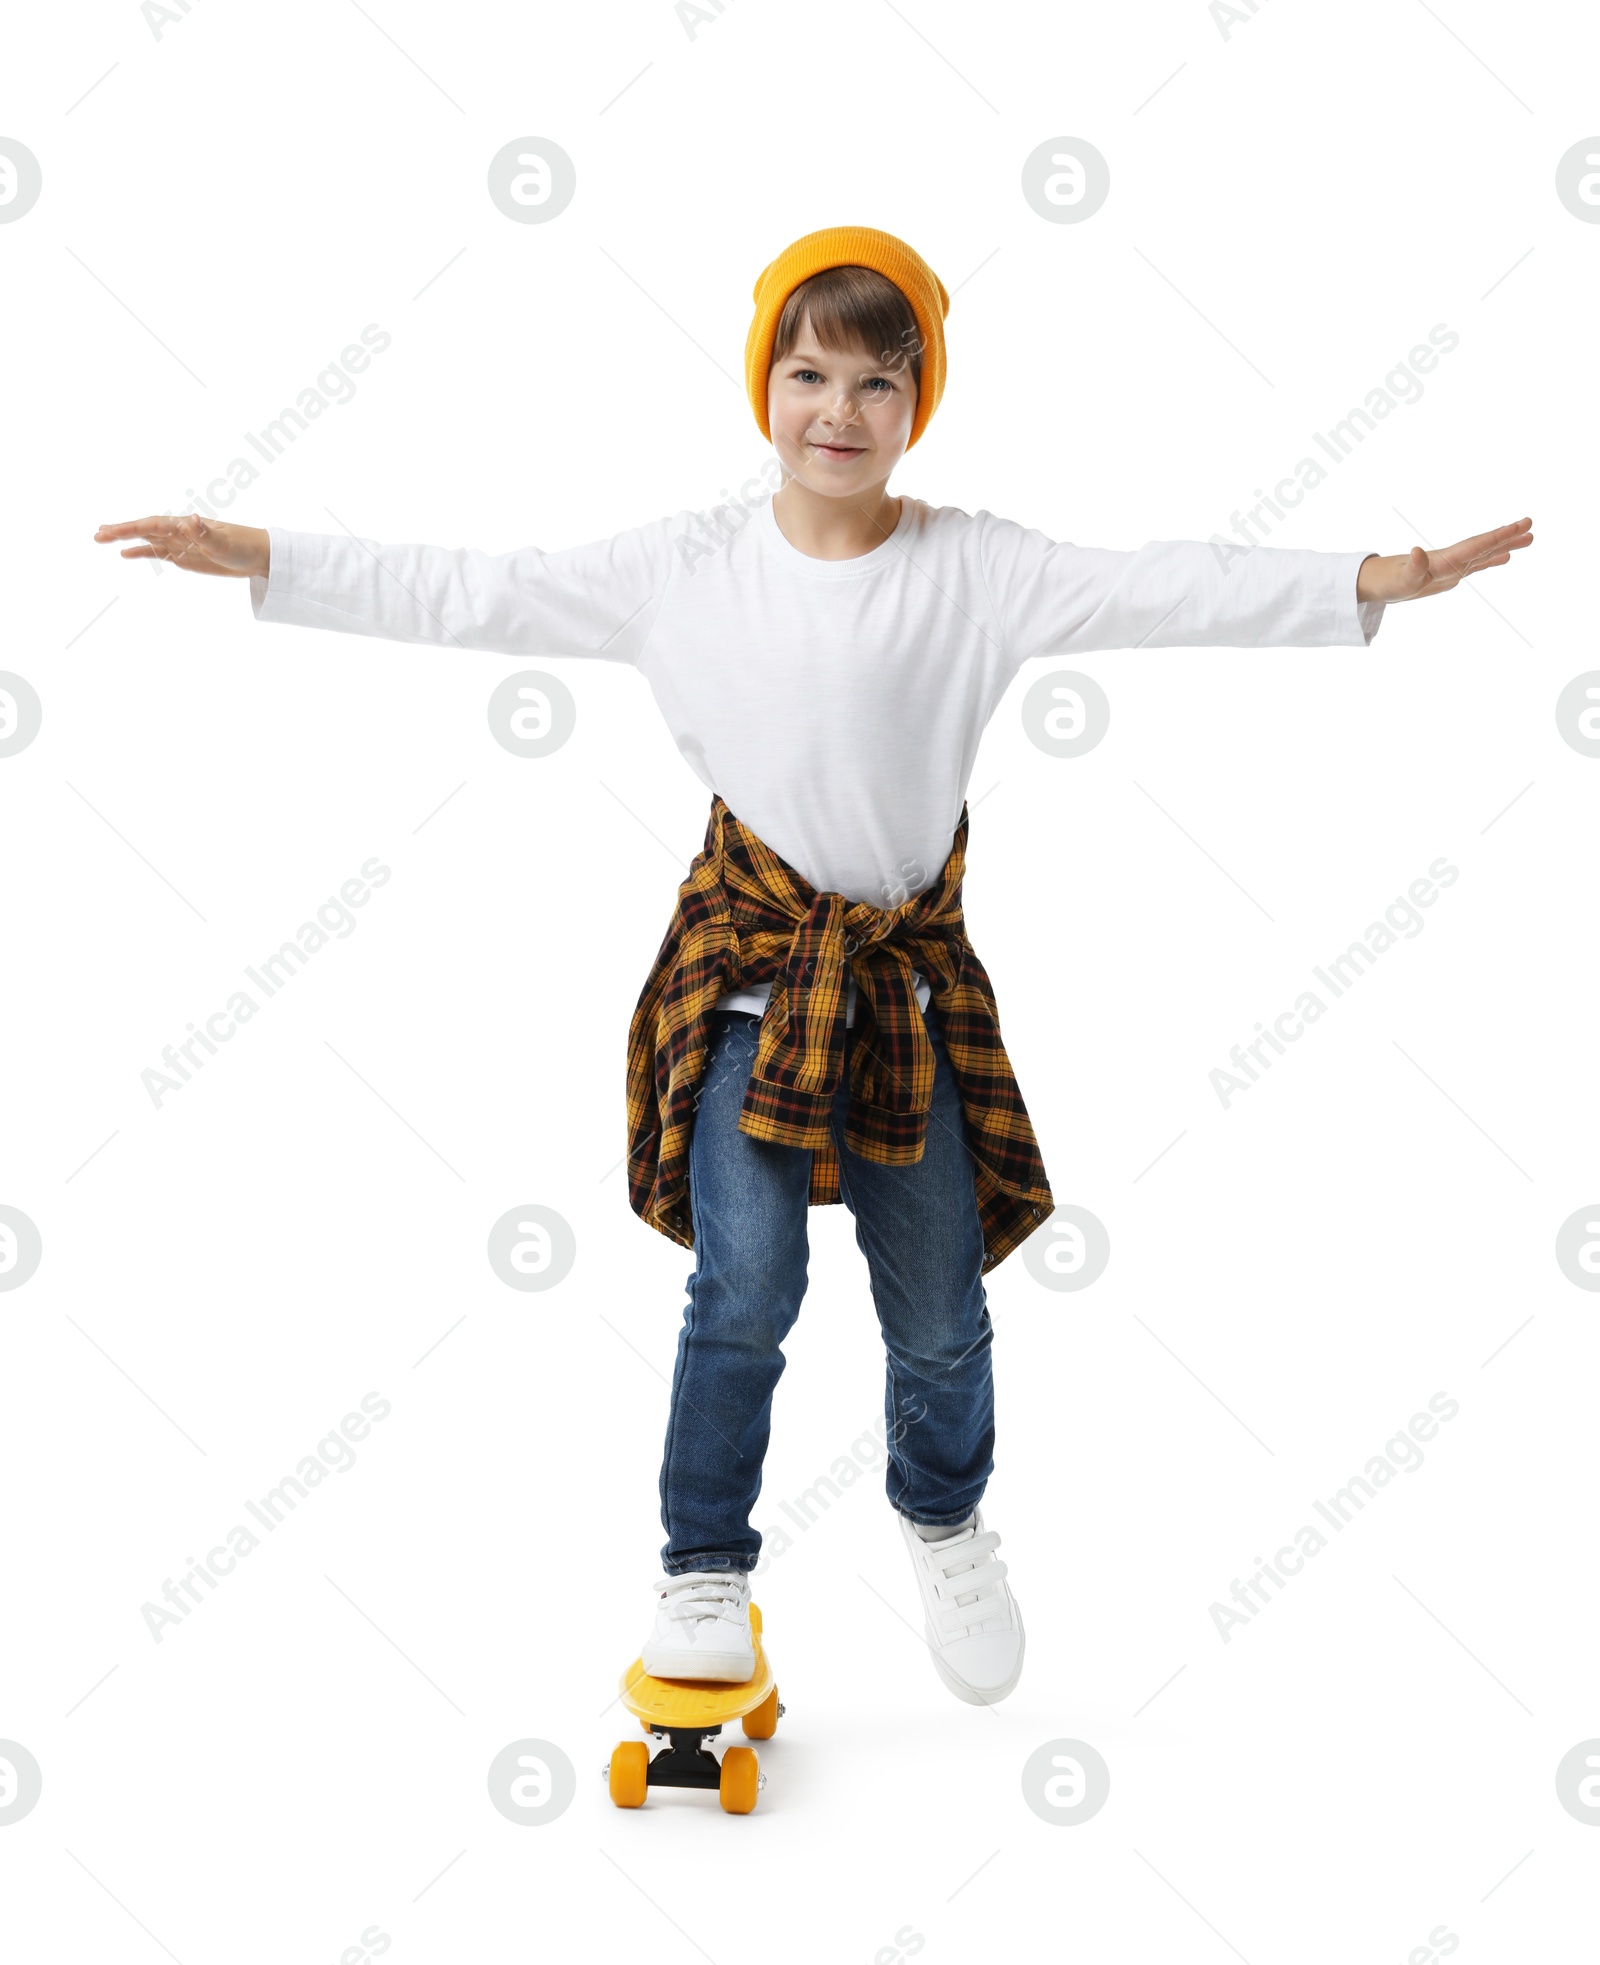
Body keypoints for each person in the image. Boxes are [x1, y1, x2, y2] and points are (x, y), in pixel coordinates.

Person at [95, 225, 1533, 1709]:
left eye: (875, 381)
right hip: (746, 990)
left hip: (902, 996)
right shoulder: (684, 570)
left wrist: (1370, 576)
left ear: (917, 405)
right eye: (808, 374)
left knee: (938, 1307)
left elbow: (1166, 585)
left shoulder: (975, 568)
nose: (836, 410)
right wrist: (267, 553)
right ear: (762, 386)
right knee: (747, 1280)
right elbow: (480, 587)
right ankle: (704, 1566)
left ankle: (944, 1516)